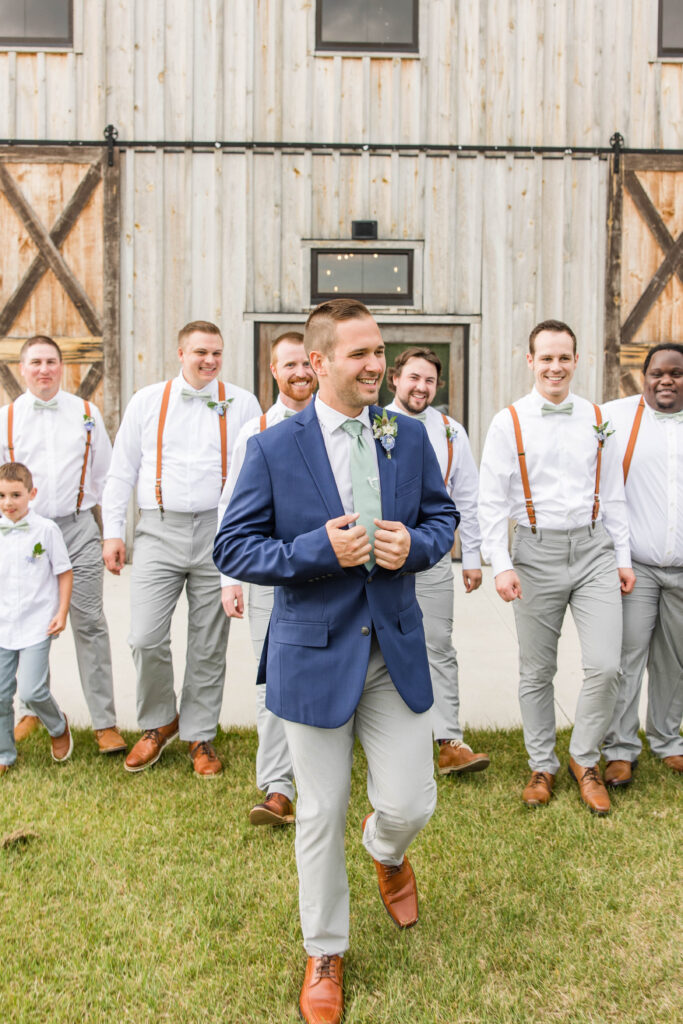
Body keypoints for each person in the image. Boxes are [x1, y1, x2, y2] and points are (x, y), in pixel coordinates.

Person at [214, 298, 458, 1024]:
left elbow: (440, 519)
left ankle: (386, 850)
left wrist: (410, 547)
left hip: (393, 649)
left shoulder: (406, 434)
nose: (377, 365)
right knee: (319, 812)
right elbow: (233, 547)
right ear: (317, 363)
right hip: (312, 653)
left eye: (379, 352)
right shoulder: (269, 448)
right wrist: (317, 550)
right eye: (359, 355)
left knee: (411, 801)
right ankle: (324, 949)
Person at [478, 319, 635, 816]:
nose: (555, 366)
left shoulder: (595, 416)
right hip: (535, 551)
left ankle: (584, 760)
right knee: (537, 669)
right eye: (545, 357)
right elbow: (490, 501)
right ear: (530, 361)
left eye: (564, 357)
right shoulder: (509, 421)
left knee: (607, 665)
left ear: (576, 359)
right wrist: (500, 563)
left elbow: (612, 493)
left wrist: (623, 557)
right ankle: (541, 763)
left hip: (593, 550)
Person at [102, 321, 261, 777]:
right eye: (200, 352)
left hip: (219, 530)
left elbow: (254, 473)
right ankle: (157, 723)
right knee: (144, 637)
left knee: (208, 643)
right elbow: (122, 470)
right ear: (180, 353)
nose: (209, 360)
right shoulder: (147, 401)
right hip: (158, 528)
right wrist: (114, 532)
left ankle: (200, 735)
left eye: (216, 353)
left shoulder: (243, 402)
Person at [0, 336, 125, 754]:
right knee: (27, 621)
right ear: (23, 368)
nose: (44, 369)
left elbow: (108, 478)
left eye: (51, 361)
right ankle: (33, 709)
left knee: (89, 622)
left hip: (77, 529)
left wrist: (112, 534)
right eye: (35, 362)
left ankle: (105, 722)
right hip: (26, 532)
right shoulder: (7, 419)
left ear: (62, 365)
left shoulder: (87, 413)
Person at [219, 331, 316, 825]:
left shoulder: (343, 424)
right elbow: (231, 509)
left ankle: (325, 769)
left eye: (306, 363)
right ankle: (277, 786)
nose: (300, 373)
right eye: (288, 365)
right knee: (269, 677)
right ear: (273, 372)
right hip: (267, 571)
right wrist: (229, 578)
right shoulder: (254, 430)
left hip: (329, 570)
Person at [386, 347, 489, 775]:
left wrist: (472, 557)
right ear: (395, 379)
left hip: (430, 556)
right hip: (378, 555)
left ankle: (449, 740)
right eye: (413, 378)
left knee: (438, 645)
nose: (421, 387)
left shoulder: (451, 432)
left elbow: (466, 495)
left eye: (429, 380)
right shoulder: (374, 424)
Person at [601, 343, 683, 784]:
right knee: (627, 657)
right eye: (658, 373)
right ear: (644, 375)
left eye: (676, 373)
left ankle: (669, 740)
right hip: (638, 566)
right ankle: (619, 746)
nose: (666, 380)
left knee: (675, 660)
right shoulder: (614, 416)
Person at [0, 462, 73, 772]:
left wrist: (62, 611)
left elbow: (64, 572)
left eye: (16, 495)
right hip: (3, 625)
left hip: (37, 623)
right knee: (1, 694)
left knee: (32, 689)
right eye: (1, 496)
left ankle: (57, 726)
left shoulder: (46, 530)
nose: (8, 503)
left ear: (32, 494)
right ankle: (4, 754)